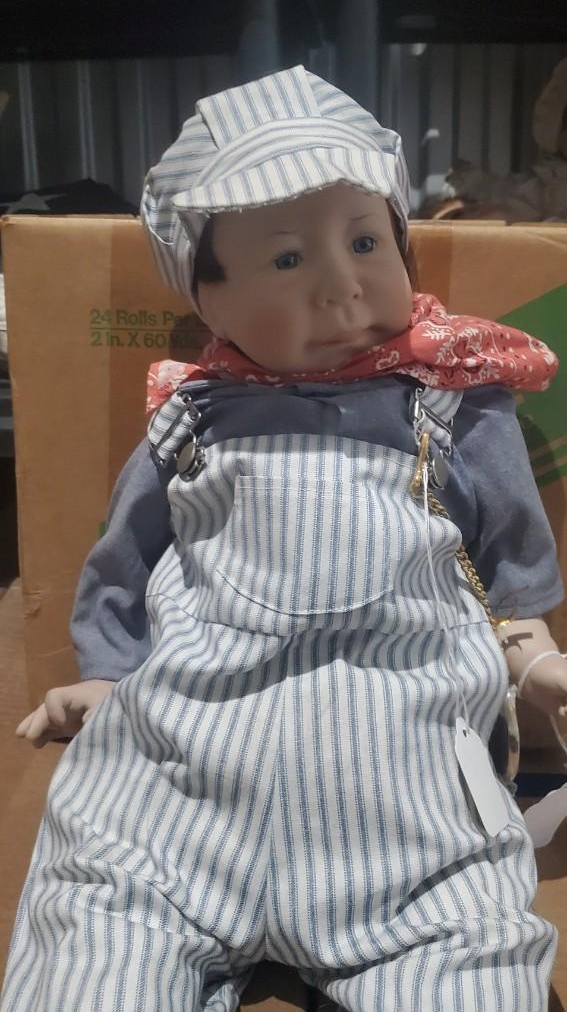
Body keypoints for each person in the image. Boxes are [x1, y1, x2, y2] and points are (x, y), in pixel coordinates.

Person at [4, 66, 567, 1011]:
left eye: (364, 242)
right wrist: (105, 673)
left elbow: (505, 566)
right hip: (174, 799)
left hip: (407, 821)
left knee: (470, 973)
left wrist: (532, 658)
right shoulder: (190, 419)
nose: (341, 286)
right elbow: (123, 560)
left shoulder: (456, 405)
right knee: (92, 953)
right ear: (206, 297)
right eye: (287, 259)